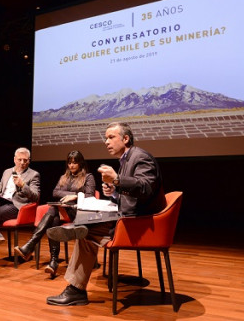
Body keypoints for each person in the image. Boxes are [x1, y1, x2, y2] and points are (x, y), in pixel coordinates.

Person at [45, 122, 166, 306]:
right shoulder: (126, 160)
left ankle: (75, 289)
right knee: (85, 227)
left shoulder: (140, 157)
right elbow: (130, 194)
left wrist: (117, 179)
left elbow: (146, 188)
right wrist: (114, 192)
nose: (106, 141)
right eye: (105, 137)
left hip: (139, 225)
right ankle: (76, 234)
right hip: (127, 219)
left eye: (111, 137)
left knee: (84, 231)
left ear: (125, 139)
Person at [14, 150, 96, 277]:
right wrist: (69, 196)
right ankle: (53, 262)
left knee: (53, 210)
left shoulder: (88, 177)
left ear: (80, 163)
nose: (72, 166)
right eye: (69, 163)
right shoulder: (64, 177)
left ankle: (32, 245)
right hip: (63, 211)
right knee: (54, 217)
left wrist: (74, 196)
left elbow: (90, 196)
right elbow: (55, 192)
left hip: (78, 213)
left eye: (74, 163)